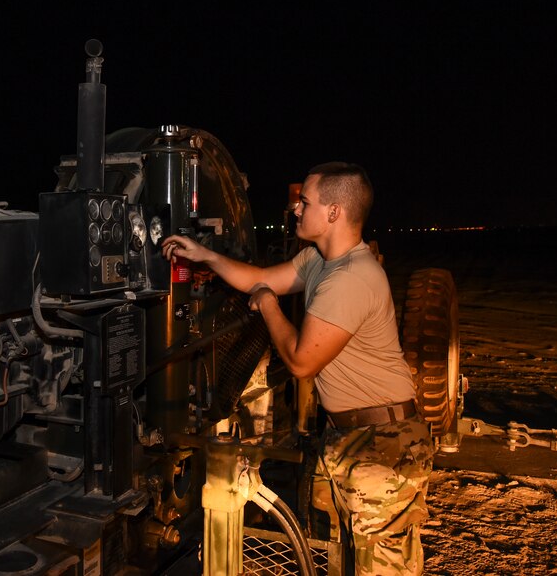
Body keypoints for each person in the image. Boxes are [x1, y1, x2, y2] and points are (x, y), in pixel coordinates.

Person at [161, 162, 433, 576]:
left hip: (383, 445)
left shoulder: (352, 277)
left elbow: (302, 361)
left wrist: (269, 304)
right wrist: (204, 255)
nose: (295, 209)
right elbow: (259, 277)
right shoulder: (318, 260)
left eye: (305, 202)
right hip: (347, 435)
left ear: (334, 212)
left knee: (382, 567)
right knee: (339, 558)